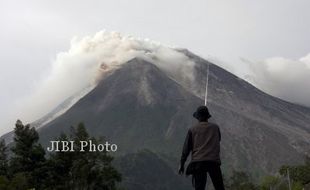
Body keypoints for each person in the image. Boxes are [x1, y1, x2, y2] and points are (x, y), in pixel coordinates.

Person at [179, 106, 225, 190]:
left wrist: (182, 164)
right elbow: (218, 139)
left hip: (198, 162)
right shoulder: (215, 128)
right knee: (219, 187)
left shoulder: (192, 129)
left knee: (199, 188)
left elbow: (186, 149)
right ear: (207, 117)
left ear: (198, 117)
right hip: (213, 161)